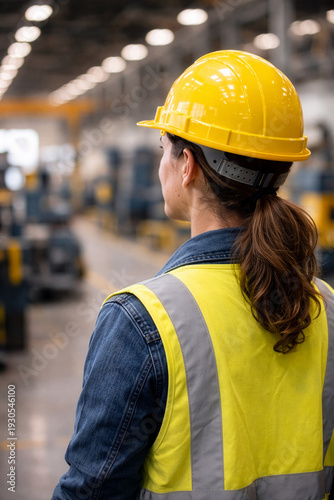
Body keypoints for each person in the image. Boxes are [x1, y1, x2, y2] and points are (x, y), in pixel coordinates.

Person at [52, 51, 334, 500]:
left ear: (187, 166)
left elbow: (93, 490)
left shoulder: (142, 321)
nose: (162, 162)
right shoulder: (326, 306)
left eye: (164, 148)